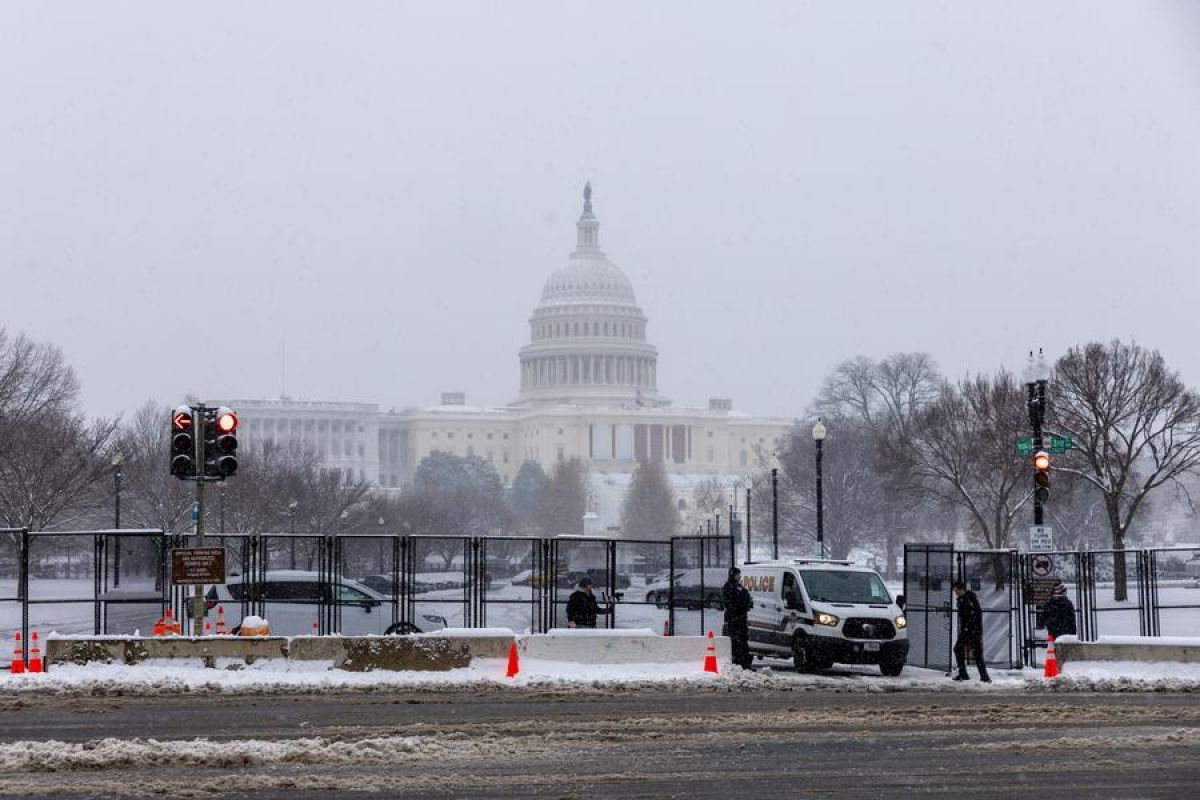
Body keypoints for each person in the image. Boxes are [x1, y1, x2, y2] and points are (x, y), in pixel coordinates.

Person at [952, 580, 990, 683]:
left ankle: (984, 677)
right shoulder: (961, 599)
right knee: (959, 649)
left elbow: (975, 616)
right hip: (967, 630)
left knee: (976, 653)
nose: (955, 593)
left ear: (962, 589)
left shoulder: (970, 600)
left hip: (972, 630)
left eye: (956, 591)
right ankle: (966, 673)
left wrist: (969, 628)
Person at [722, 567, 753, 670]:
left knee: (743, 641)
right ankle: (737, 663)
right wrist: (741, 605)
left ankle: (744, 664)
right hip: (734, 619)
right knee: (736, 642)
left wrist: (746, 603)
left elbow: (746, 597)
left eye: (739, 575)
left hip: (741, 619)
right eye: (737, 575)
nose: (739, 577)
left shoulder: (739, 587)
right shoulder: (728, 587)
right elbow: (730, 603)